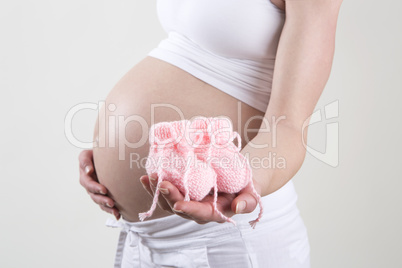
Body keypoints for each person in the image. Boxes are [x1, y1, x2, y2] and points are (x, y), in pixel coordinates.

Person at [78, 0, 343, 267]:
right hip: (144, 241)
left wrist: (242, 186)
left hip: (228, 240)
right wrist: (110, 155)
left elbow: (288, 127)